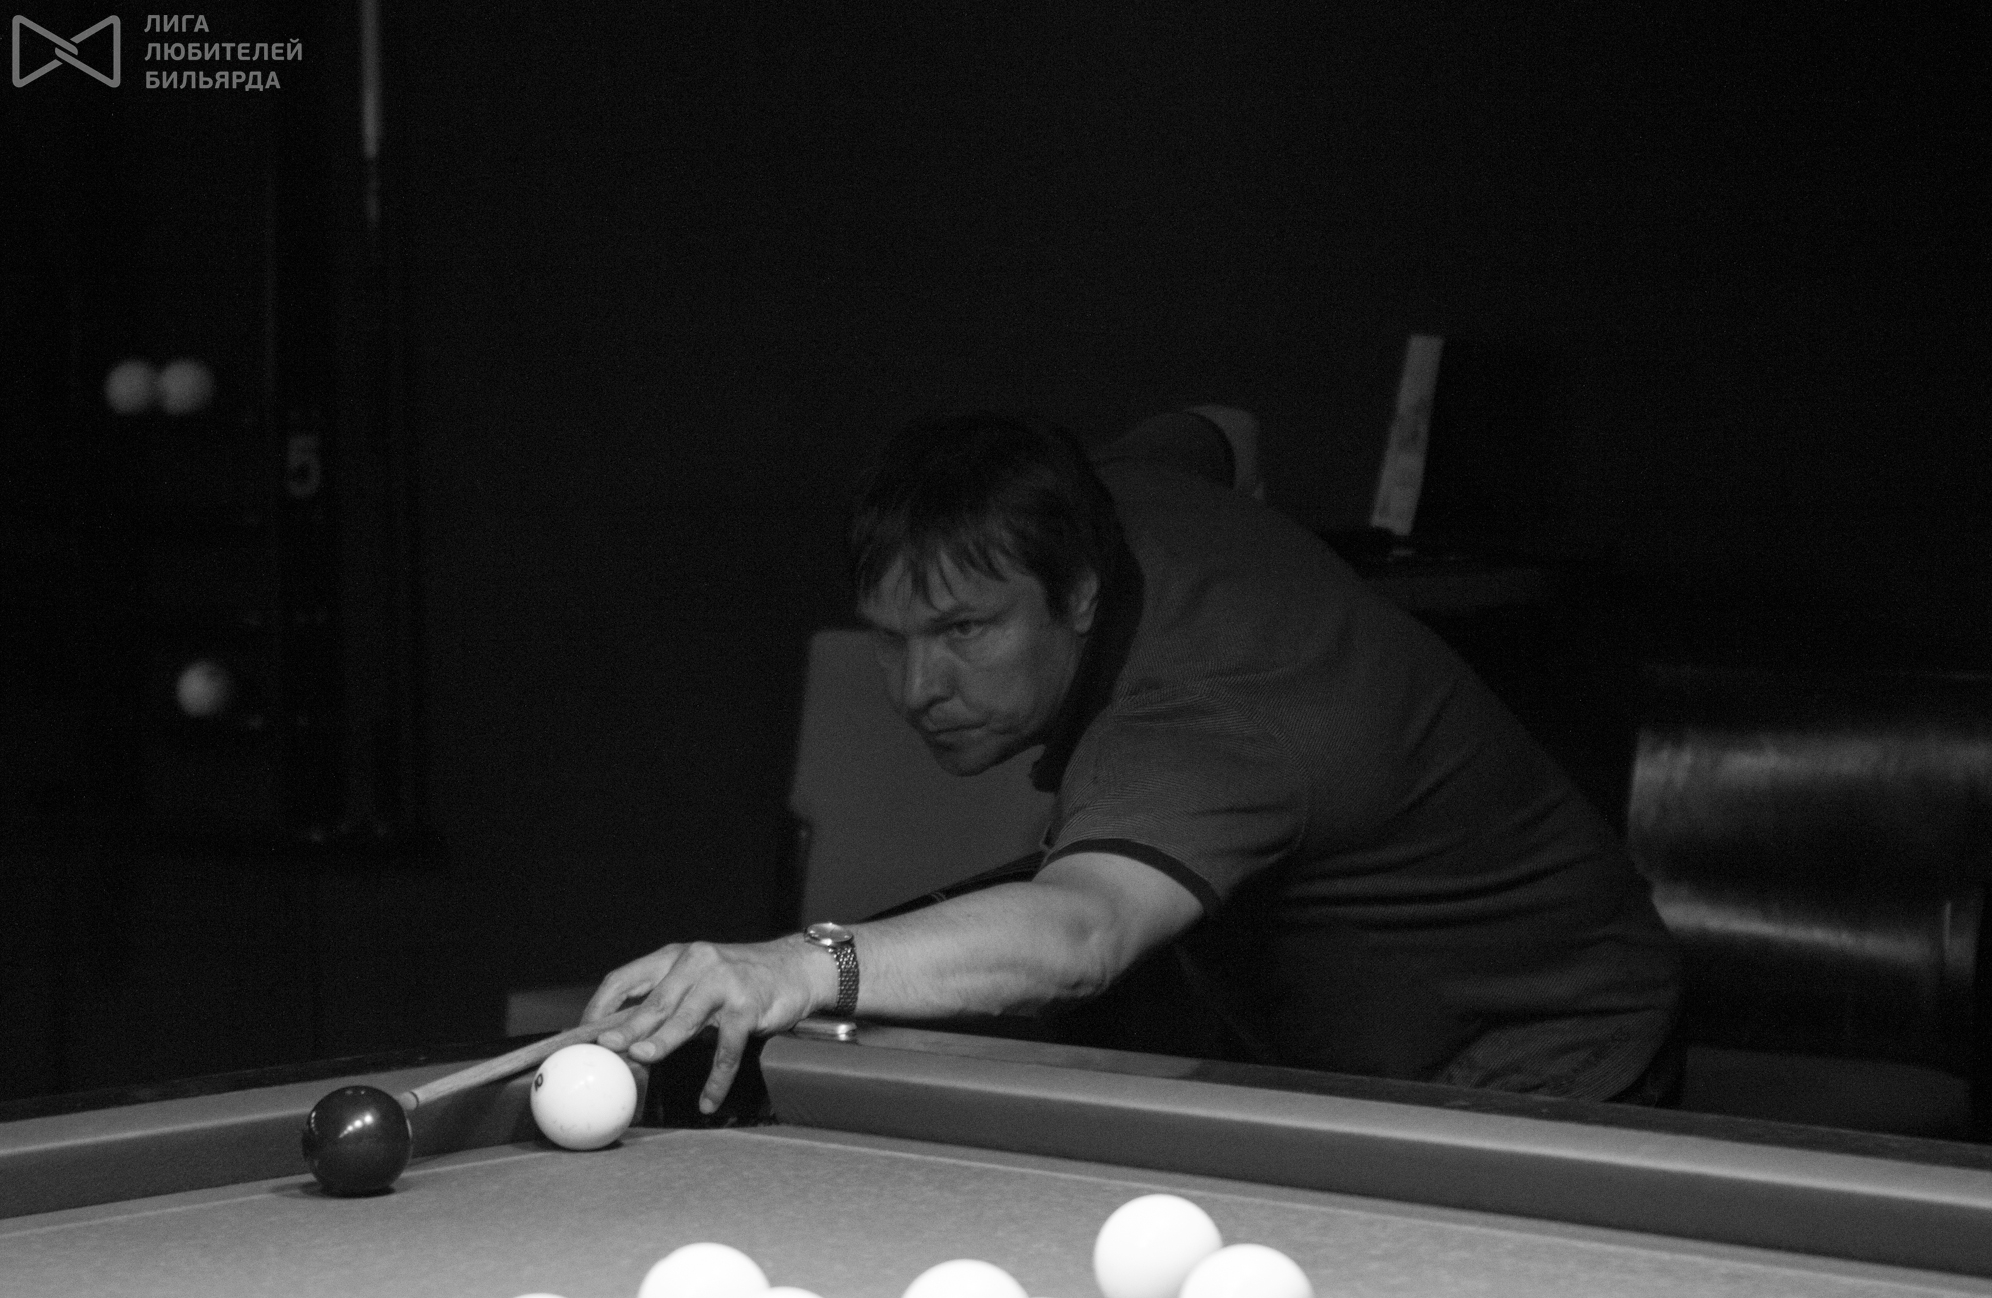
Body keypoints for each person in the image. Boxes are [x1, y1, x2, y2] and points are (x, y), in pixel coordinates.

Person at [586, 408, 1682, 1113]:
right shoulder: (1112, 493)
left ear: (1079, 593)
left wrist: (793, 966)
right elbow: (1217, 430)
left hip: (1542, 1044)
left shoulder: (1192, 724)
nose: (916, 687)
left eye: (963, 629)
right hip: (1368, 1040)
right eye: (891, 636)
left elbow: (1082, 934)